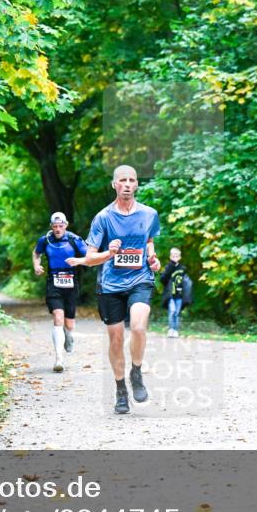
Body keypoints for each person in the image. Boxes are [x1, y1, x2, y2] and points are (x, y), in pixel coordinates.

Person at [66, 165, 160, 414]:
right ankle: (120, 391)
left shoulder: (150, 214)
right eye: (122, 180)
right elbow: (90, 257)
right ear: (114, 185)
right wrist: (111, 252)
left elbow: (149, 241)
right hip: (110, 286)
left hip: (140, 279)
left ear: (137, 184)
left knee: (139, 326)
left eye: (131, 180)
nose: (127, 184)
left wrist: (153, 258)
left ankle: (136, 372)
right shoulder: (103, 218)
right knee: (116, 338)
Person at [33, 212, 87, 372]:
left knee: (69, 324)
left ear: (66, 225)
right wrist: (36, 265)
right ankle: (59, 359)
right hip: (53, 282)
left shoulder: (74, 240)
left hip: (71, 283)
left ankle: (68, 334)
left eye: (60, 226)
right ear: (51, 226)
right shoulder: (45, 240)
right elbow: (36, 253)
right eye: (55, 226)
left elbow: (89, 256)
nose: (58, 229)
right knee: (58, 317)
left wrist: (80, 261)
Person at [160, 248, 188, 338]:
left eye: (177, 256)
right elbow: (163, 279)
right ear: (170, 256)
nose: (175, 257)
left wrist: (186, 293)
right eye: (173, 256)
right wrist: (171, 265)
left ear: (179, 257)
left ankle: (176, 330)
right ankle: (171, 329)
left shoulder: (183, 268)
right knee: (172, 311)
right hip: (170, 294)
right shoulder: (168, 267)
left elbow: (186, 282)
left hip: (179, 295)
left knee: (177, 312)